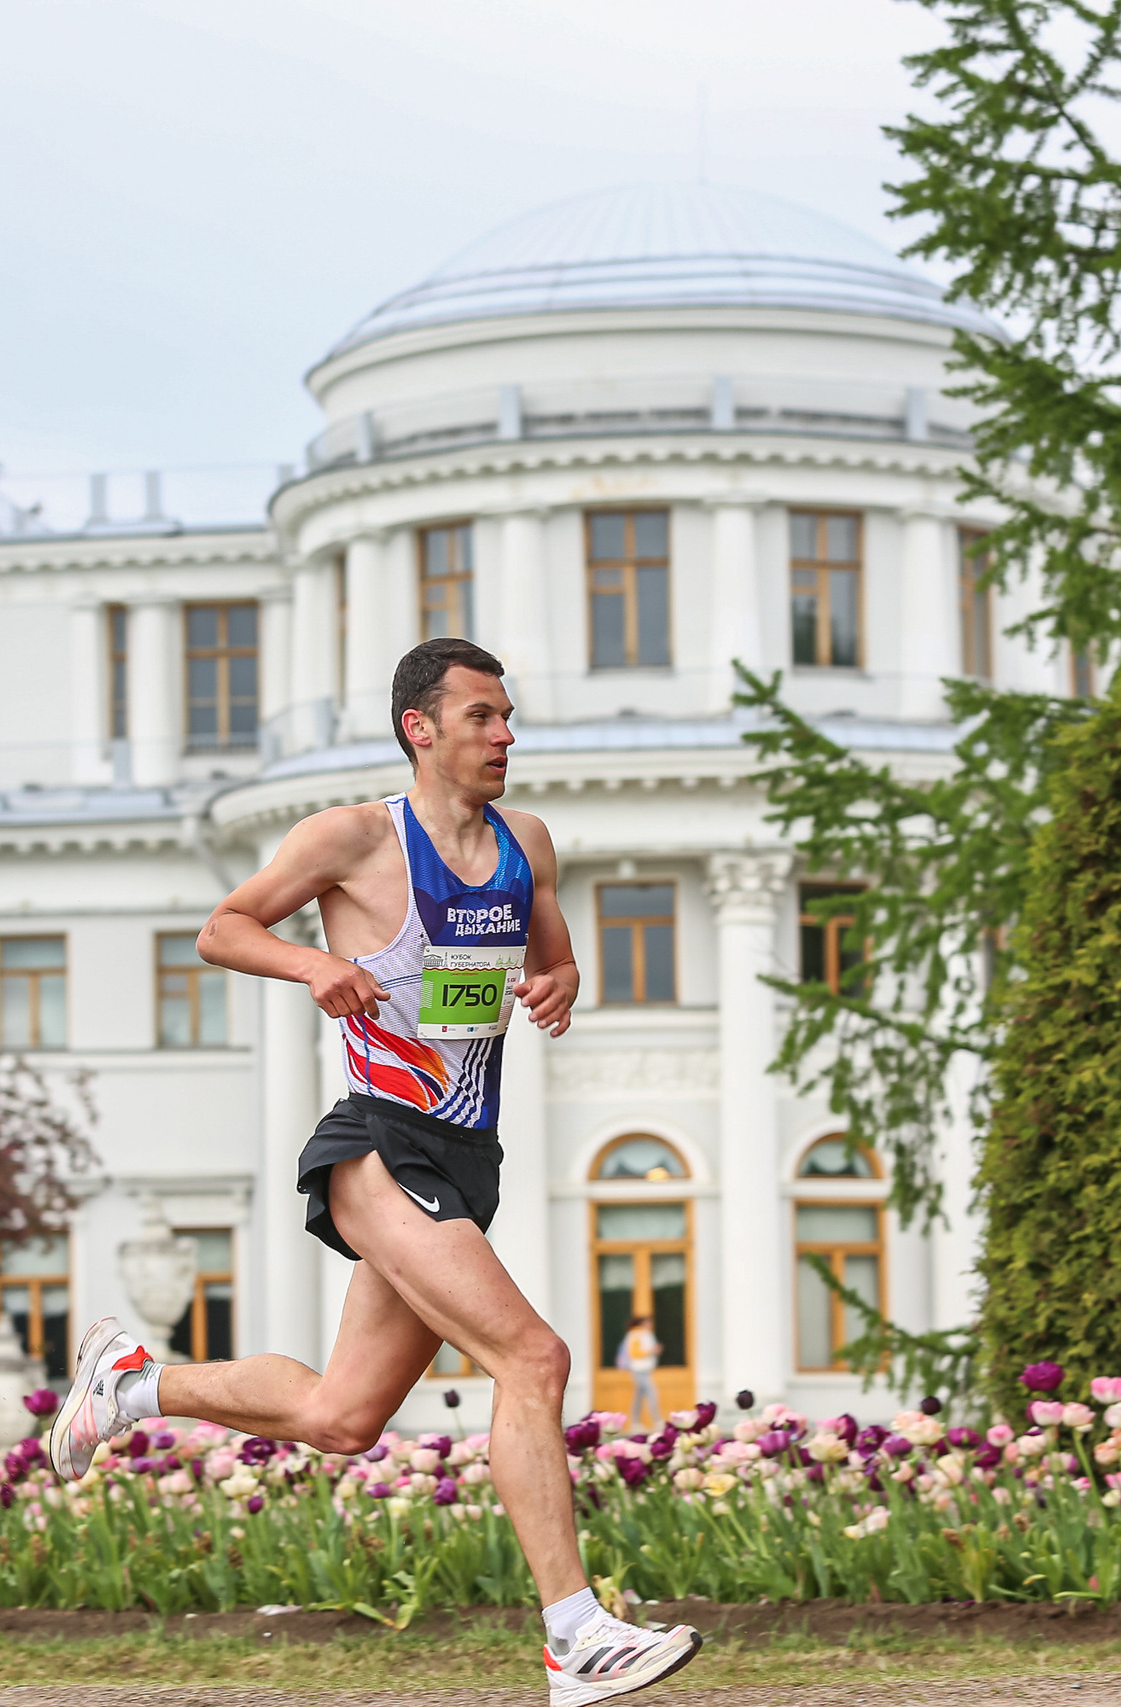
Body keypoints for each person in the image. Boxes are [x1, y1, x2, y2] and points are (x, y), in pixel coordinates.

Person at [46, 638, 703, 1703]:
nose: (505, 735)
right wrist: (313, 962)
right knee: (531, 1361)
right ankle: (574, 1636)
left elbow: (551, 957)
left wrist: (560, 986)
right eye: (482, 717)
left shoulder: (524, 842)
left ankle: (131, 1386)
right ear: (421, 729)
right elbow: (223, 927)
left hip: (463, 1155)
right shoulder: (352, 840)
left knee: (342, 1420)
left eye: (505, 716)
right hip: (378, 1145)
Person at [619, 1314, 661, 1435]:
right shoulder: (637, 1334)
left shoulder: (644, 1334)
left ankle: (635, 1422)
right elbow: (635, 1352)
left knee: (639, 1396)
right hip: (639, 1370)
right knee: (651, 1393)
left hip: (644, 1369)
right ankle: (656, 1420)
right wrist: (651, 1351)